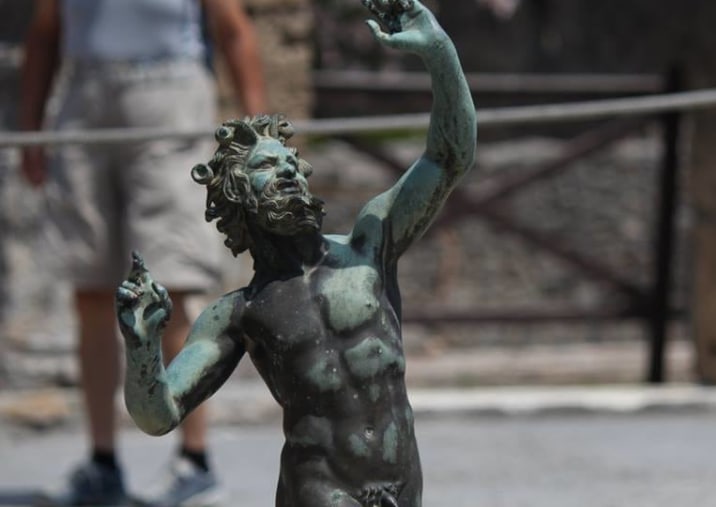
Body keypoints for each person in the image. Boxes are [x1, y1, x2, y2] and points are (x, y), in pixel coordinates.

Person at [115, 0, 476, 505]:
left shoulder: (369, 246)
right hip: (319, 493)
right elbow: (158, 413)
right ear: (239, 194)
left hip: (402, 491)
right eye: (268, 166)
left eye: (292, 162)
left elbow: (449, 156)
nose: (289, 170)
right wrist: (141, 348)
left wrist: (439, 51)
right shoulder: (238, 314)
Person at [19, 0, 267, 505]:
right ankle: (102, 460)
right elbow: (45, 33)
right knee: (89, 289)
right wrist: (31, 128)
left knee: (173, 284)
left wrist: (256, 134)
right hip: (84, 99)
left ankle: (193, 461)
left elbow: (234, 31)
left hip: (169, 95)